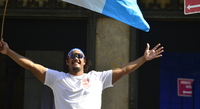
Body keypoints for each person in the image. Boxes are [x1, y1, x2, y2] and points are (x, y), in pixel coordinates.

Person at [0, 39, 164, 109]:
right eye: (72, 56)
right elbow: (31, 66)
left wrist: (143, 59)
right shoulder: (57, 78)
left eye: (79, 56)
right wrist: (8, 52)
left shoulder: (97, 78)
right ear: (67, 61)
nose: (76, 58)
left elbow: (124, 70)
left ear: (85, 61)